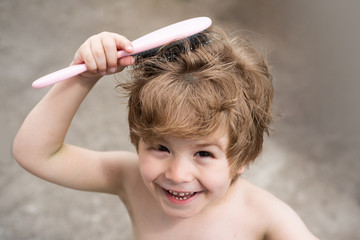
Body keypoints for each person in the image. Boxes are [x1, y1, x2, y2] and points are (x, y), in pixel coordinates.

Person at [12, 26, 318, 239]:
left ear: (244, 158)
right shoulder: (130, 179)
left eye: (203, 153)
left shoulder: (266, 217)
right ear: (137, 141)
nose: (178, 173)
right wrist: (83, 77)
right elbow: (37, 154)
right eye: (160, 147)